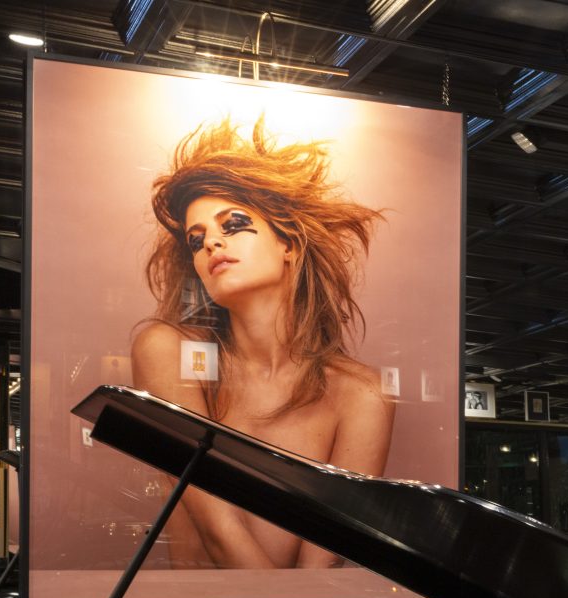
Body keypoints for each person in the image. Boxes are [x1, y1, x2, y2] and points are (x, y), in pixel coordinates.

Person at [131, 118, 394, 569]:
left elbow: (324, 564)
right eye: (196, 241)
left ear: (288, 242)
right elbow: (217, 531)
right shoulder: (169, 351)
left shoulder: (361, 392)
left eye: (232, 224)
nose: (211, 242)